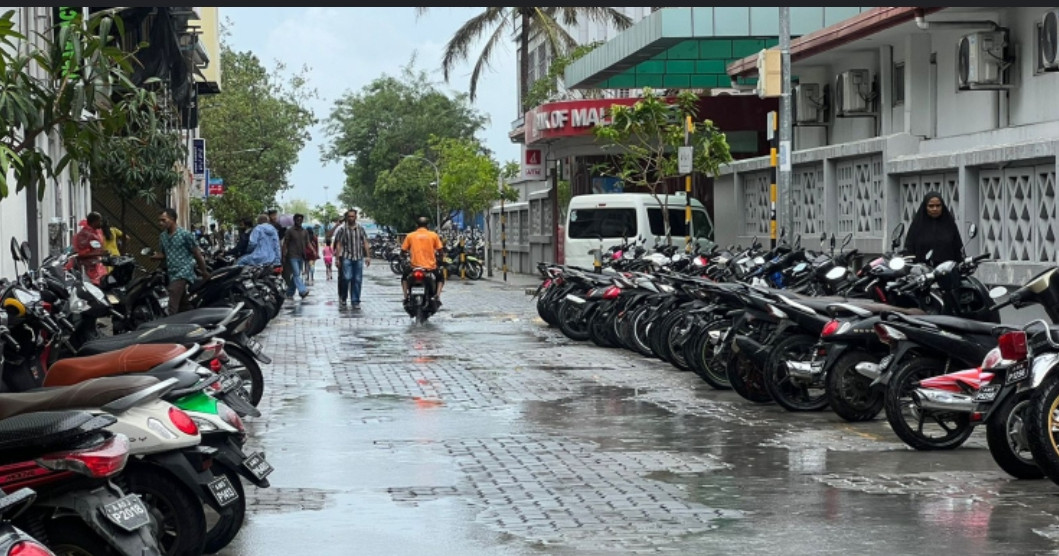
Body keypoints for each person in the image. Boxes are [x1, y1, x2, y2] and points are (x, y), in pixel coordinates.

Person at [153, 208, 210, 315]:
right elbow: (165, 254)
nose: (160, 223)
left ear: (173, 219)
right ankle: (193, 319)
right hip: (171, 273)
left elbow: (196, 253)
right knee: (183, 304)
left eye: (163, 220)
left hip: (184, 271)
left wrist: (204, 271)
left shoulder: (185, 234)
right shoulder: (163, 237)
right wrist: (156, 256)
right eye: (159, 220)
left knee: (172, 296)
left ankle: (170, 326)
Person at [904, 191, 964, 265]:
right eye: (931, 206)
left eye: (938, 205)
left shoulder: (949, 225)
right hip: (922, 272)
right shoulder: (917, 227)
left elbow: (958, 249)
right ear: (925, 207)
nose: (935, 209)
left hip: (947, 272)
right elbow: (909, 251)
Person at [401, 216, 445, 305]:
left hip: (414, 266)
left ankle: (405, 297)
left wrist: (403, 257)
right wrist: (440, 259)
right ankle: (437, 296)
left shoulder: (410, 236)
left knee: (404, 278)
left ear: (417, 225)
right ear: (427, 225)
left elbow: (403, 251)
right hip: (430, 267)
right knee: (440, 278)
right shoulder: (433, 235)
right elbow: (440, 250)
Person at [332, 209, 371, 309]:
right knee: (346, 278)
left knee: (357, 279)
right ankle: (343, 297)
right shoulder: (342, 229)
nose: (351, 218)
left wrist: (368, 256)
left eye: (352, 216)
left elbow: (365, 242)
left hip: (358, 257)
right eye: (349, 216)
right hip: (346, 257)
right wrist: (337, 259)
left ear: (355, 217)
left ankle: (355, 300)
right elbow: (339, 244)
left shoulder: (361, 228)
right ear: (346, 217)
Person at [281, 214, 311, 300]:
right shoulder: (289, 231)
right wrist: (283, 254)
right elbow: (285, 244)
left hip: (301, 255)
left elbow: (308, 243)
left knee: (296, 275)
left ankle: (289, 292)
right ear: (294, 220)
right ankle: (302, 290)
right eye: (297, 219)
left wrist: (313, 251)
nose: (299, 221)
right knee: (296, 274)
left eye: (301, 219)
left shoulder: (305, 231)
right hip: (292, 255)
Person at [73, 212, 108, 285]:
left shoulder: (95, 232)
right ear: (94, 222)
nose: (101, 223)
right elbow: (81, 254)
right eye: (99, 221)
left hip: (96, 268)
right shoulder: (85, 234)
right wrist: (99, 253)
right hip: (88, 270)